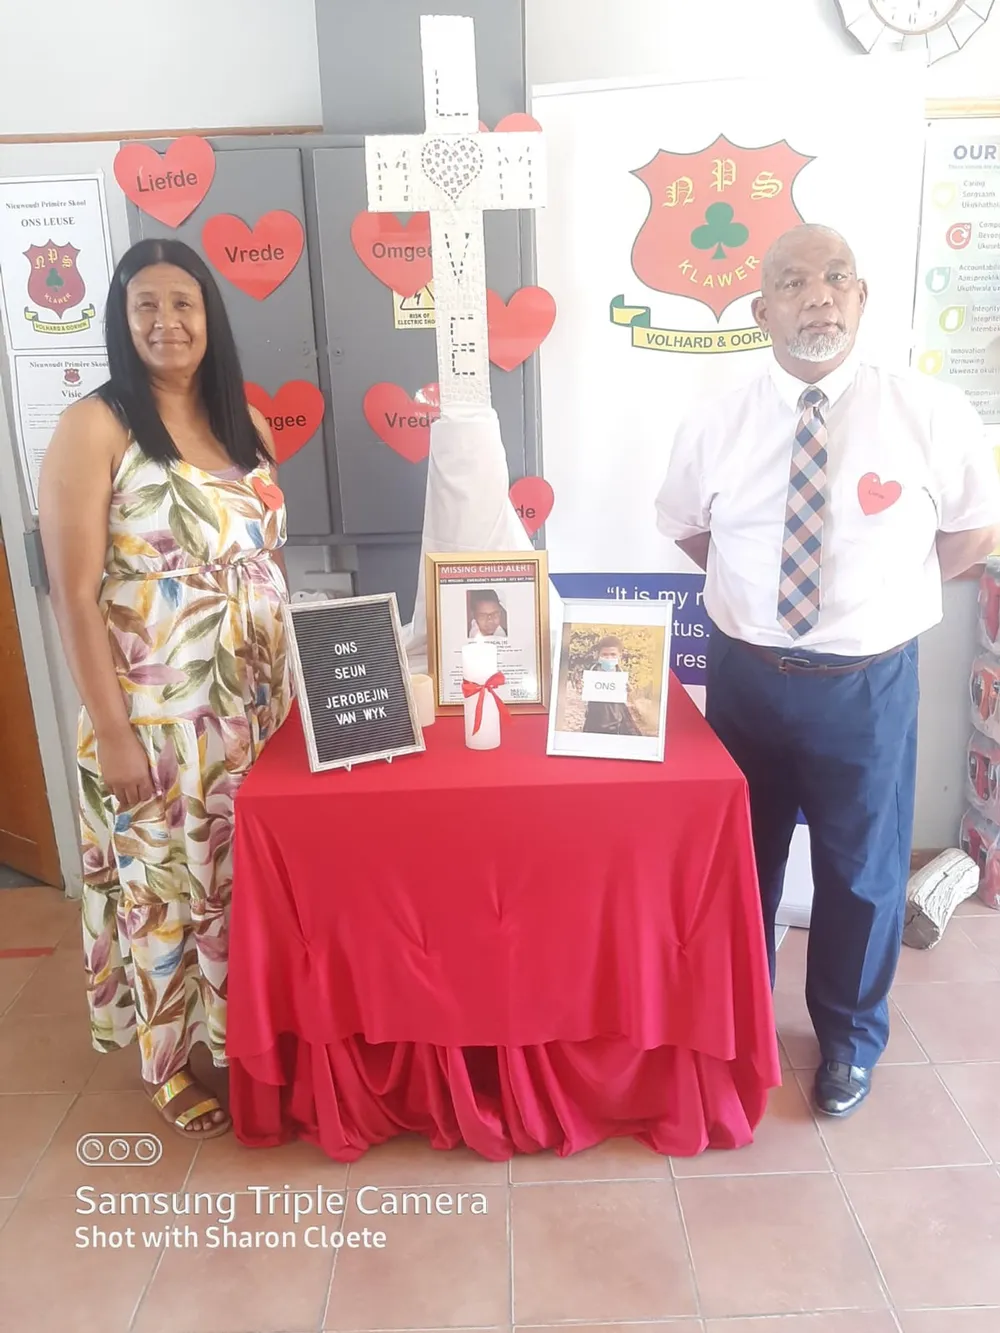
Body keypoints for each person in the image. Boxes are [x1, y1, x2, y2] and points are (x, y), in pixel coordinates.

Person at [655, 223, 1000, 1118]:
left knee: (864, 874)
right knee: (741, 867)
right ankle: (737, 1024)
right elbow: (689, 527)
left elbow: (973, 530)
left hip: (867, 687)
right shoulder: (718, 421)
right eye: (794, 281)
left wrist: (881, 602)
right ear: (760, 310)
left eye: (837, 276)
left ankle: (848, 1039)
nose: (819, 294)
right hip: (747, 680)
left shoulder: (928, 412)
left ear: (862, 297)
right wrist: (761, 605)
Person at [38, 238, 293, 1139]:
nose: (165, 321)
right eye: (144, 304)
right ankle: (169, 1062)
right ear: (122, 317)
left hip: (258, 708)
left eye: (182, 302)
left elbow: (265, 557)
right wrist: (112, 732)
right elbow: (72, 592)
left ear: (209, 313)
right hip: (158, 718)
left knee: (246, 885)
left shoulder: (244, 421)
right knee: (165, 889)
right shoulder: (95, 427)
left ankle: (244, 1032)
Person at [582, 635, 640, 736]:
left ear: (620, 656)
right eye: (605, 655)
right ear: (598, 656)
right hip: (595, 723)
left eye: (613, 654)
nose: (609, 658)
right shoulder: (592, 675)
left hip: (618, 724)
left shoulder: (622, 676)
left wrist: (630, 692)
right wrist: (582, 687)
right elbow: (585, 698)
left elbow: (632, 703)